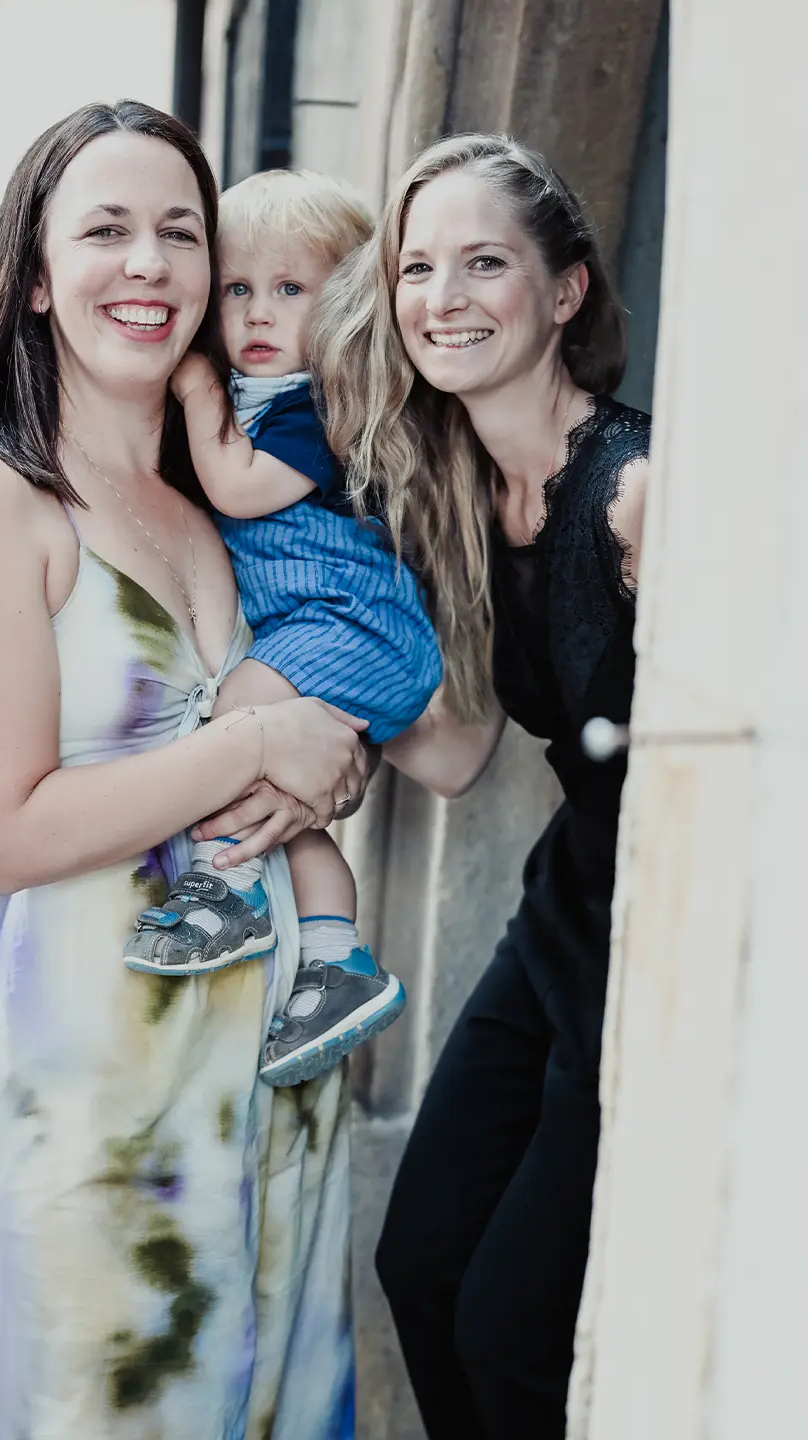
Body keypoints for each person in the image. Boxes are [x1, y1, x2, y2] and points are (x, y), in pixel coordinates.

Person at [0, 101, 369, 1440]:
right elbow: (5, 832)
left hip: (255, 1103)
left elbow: (290, 722)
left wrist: (318, 767)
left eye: (180, 233)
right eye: (106, 230)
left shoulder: (214, 497)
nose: (150, 264)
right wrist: (258, 743)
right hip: (95, 1132)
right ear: (36, 276)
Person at [310, 133, 650, 1438]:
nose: (441, 296)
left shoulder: (635, 497)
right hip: (566, 905)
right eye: (415, 268)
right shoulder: (460, 492)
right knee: (420, 1262)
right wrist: (280, 711)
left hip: (653, 936)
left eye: (484, 263)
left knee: (512, 1331)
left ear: (564, 293)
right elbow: (453, 753)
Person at [130, 168, 442, 1087]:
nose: (258, 314)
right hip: (315, 629)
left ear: (345, 306)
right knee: (288, 814)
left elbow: (236, 487)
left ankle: (226, 894)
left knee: (229, 718)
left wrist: (194, 390)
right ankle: (336, 959)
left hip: (354, 623)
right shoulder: (260, 401)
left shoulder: (315, 407)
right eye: (238, 289)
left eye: (290, 289)